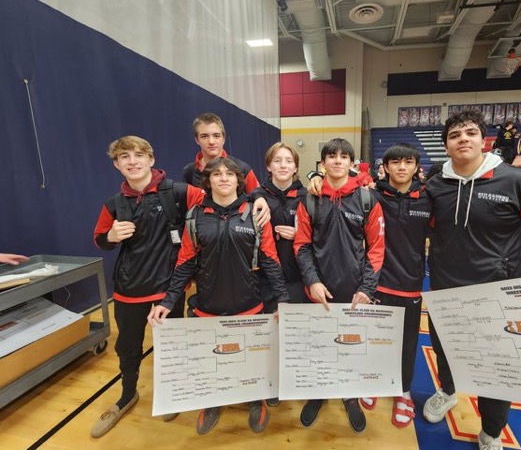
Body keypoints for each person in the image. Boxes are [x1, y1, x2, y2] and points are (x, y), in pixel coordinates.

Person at [424, 111, 521, 450]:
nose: (463, 138)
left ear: (483, 140)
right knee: (445, 351)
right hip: (445, 291)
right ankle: (446, 392)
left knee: (497, 369)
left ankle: (491, 431)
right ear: (446, 145)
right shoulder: (434, 186)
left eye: (470, 132)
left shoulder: (517, 181)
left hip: (497, 295)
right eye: (455, 134)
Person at [147, 157, 290, 434]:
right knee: (214, 360)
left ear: (239, 180)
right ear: (208, 181)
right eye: (217, 174)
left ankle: (254, 398)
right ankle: (212, 400)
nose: (223, 178)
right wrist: (168, 300)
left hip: (249, 304)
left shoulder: (255, 214)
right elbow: (185, 262)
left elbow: (271, 260)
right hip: (209, 305)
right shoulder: (195, 217)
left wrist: (283, 299)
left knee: (250, 359)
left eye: (229, 174)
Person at [92, 136, 205, 438]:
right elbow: (99, 239)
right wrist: (112, 237)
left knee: (172, 347)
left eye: (139, 154)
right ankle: (128, 395)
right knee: (128, 348)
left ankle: (173, 394)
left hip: (168, 290)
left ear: (151, 159)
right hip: (127, 290)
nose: (133, 161)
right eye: (124, 157)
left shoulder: (179, 192)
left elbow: (219, 198)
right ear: (117, 165)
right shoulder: (114, 204)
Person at [294, 138, 385, 434]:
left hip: (354, 290)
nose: (337, 161)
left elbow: (376, 248)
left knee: (350, 346)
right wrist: (313, 281)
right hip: (318, 290)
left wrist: (367, 289)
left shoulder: (367, 199)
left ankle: (349, 395)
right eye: (331, 156)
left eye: (343, 156)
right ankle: (319, 392)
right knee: (318, 345)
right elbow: (302, 246)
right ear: (322, 163)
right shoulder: (309, 200)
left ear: (351, 163)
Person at [358, 143, 430, 429]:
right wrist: (316, 177)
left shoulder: (429, 198)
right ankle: (373, 381)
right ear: (385, 167)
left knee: (407, 343)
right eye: (396, 162)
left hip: (411, 284)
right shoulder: (372, 196)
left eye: (408, 162)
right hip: (377, 282)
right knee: (375, 338)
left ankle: (403, 391)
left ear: (416, 167)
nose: (402, 167)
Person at [252, 142, 308, 310]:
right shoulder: (256, 197)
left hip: (299, 279)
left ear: (296, 168)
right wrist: (255, 197)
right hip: (265, 281)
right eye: (277, 161)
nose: (283, 165)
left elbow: (322, 235)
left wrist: (299, 234)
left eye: (289, 161)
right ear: (269, 166)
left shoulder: (307, 197)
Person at [182, 112, 260, 192]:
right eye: (204, 136)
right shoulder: (189, 172)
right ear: (197, 140)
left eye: (216, 136)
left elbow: (257, 199)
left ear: (224, 138)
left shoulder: (242, 169)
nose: (211, 141)